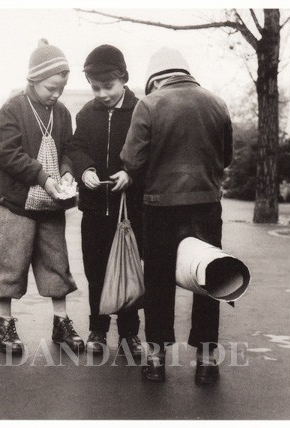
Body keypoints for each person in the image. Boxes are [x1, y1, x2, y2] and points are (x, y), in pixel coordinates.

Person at [120, 47, 233, 384]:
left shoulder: (148, 104)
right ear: (186, 71)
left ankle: (155, 360)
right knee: (210, 281)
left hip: (159, 208)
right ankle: (206, 361)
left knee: (157, 282)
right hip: (207, 206)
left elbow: (132, 161)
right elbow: (225, 157)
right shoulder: (216, 103)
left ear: (155, 78)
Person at [0, 39, 84, 355]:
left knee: (57, 261)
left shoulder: (63, 113)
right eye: (50, 88)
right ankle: (5, 325)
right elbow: (7, 153)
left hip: (51, 201)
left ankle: (61, 322)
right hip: (14, 202)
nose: (55, 94)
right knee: (9, 264)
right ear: (33, 79)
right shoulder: (13, 108)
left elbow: (68, 149)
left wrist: (67, 172)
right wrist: (44, 177)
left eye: (61, 88)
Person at [65, 44, 144, 358]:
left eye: (108, 86)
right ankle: (97, 329)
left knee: (125, 271)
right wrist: (85, 170)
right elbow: (76, 147)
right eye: (95, 88)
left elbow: (147, 151)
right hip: (95, 209)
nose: (102, 93)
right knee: (95, 270)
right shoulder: (86, 113)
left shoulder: (141, 110)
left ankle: (129, 334)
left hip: (128, 212)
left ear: (123, 78)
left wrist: (131, 173)